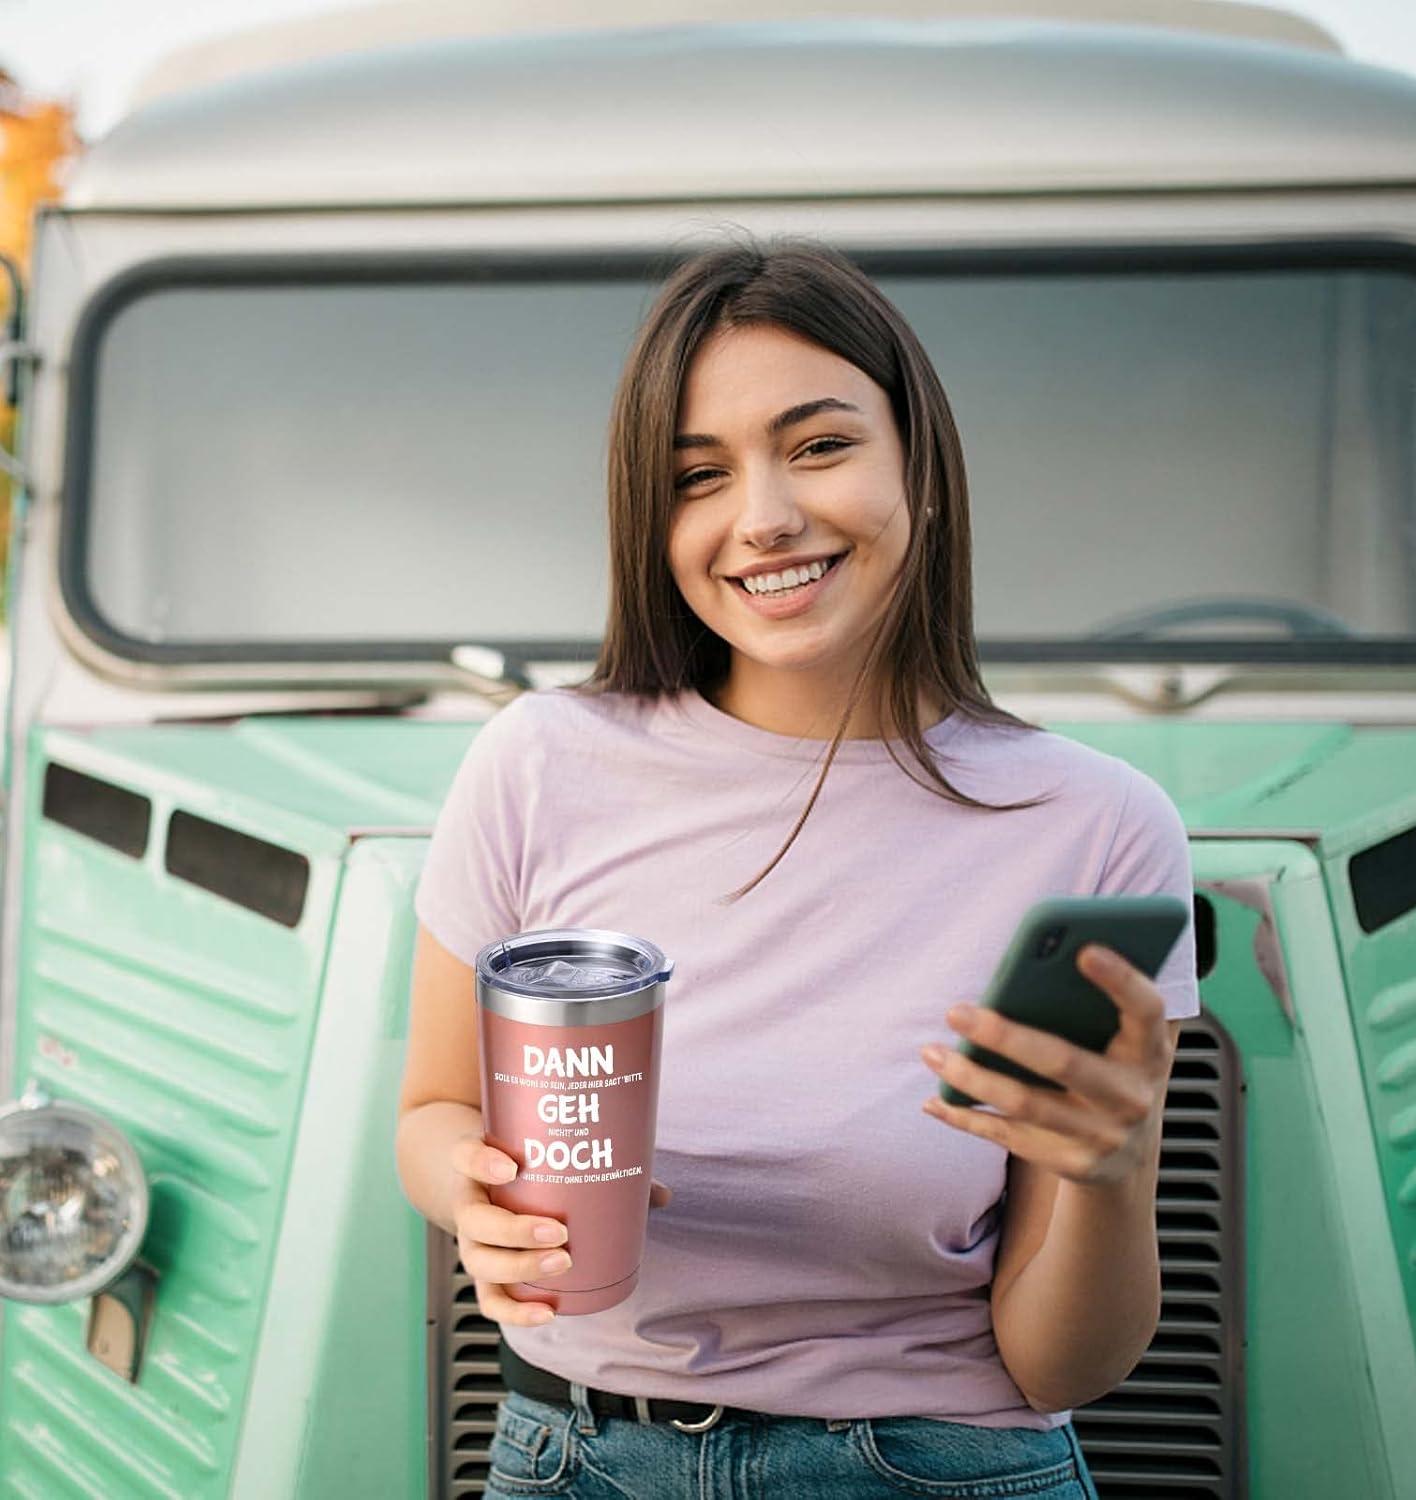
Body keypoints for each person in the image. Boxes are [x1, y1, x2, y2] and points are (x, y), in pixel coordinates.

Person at [396, 239, 1200, 1500]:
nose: (762, 515)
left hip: (940, 1468)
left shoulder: (1096, 826)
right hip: (572, 1460)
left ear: (920, 468)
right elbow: (432, 1113)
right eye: (698, 476)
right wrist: (473, 1193)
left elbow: (1062, 1368)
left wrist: (1107, 1170)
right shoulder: (536, 763)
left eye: (819, 446)